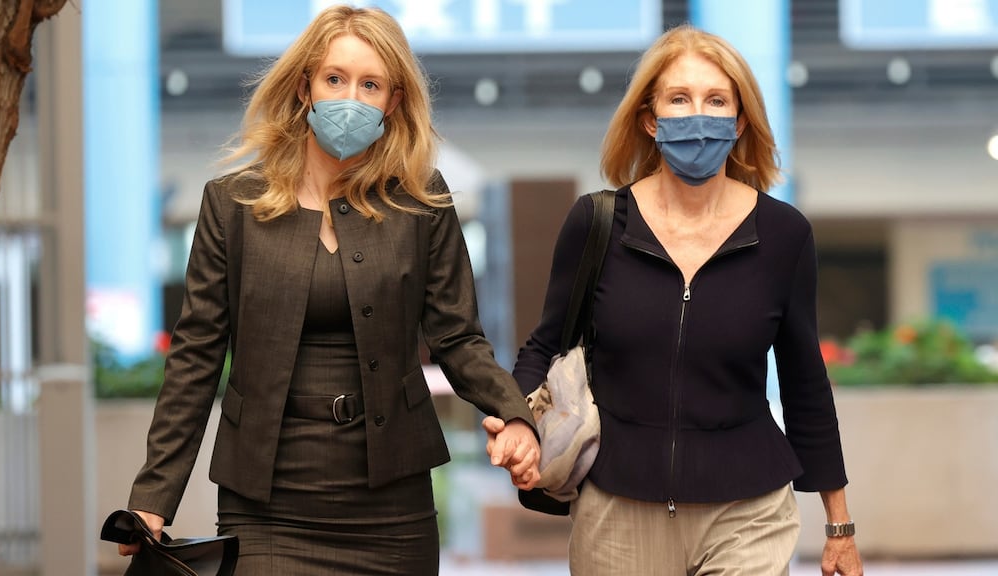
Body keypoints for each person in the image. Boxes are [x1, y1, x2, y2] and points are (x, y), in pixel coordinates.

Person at [116, 5, 540, 575]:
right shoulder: (233, 202)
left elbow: (459, 337)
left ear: (393, 101)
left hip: (392, 506)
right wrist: (152, 498)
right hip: (268, 503)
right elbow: (195, 357)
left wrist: (515, 414)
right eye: (334, 79)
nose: (350, 98)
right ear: (304, 88)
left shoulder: (421, 201)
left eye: (371, 85)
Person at [490, 24, 864, 575]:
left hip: (748, 510)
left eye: (716, 101)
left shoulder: (784, 235)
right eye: (679, 99)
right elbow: (545, 344)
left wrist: (839, 527)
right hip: (618, 512)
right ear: (650, 118)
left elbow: (805, 380)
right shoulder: (598, 223)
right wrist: (516, 419)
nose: (698, 116)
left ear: (739, 122)